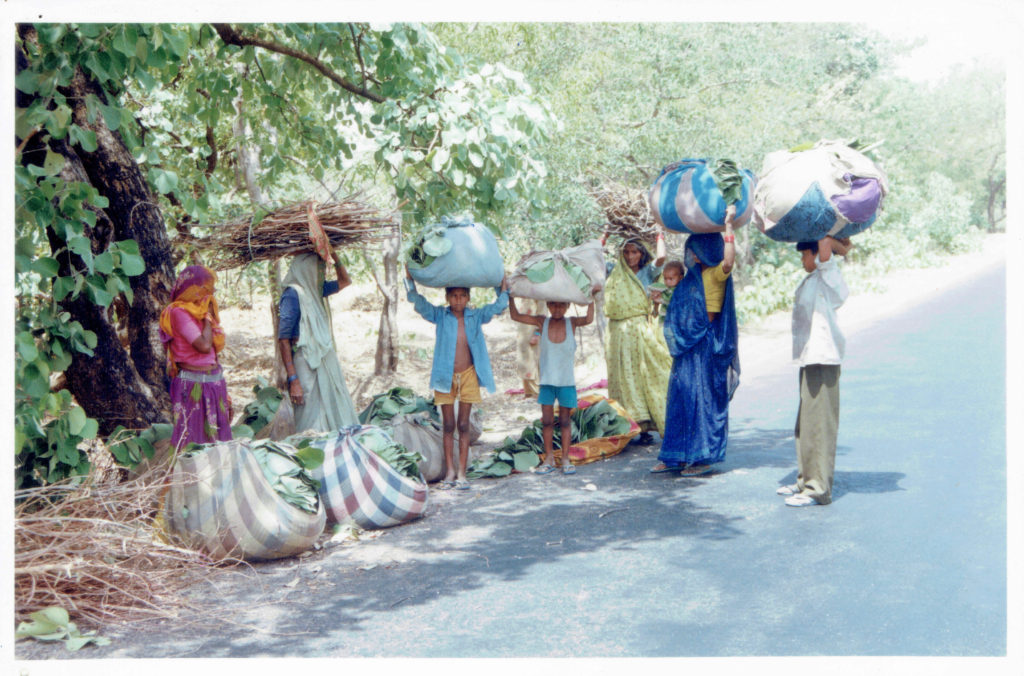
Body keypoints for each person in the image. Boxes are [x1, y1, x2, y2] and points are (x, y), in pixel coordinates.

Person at [654, 205, 740, 476]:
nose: (690, 254)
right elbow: (677, 305)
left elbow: (729, 262)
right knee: (680, 396)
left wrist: (728, 226)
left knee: (701, 399)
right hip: (686, 347)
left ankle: (702, 458)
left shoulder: (715, 274)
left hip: (705, 344)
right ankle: (675, 456)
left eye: (694, 249)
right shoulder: (689, 279)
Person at [405, 268, 509, 490]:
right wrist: (409, 281)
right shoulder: (440, 316)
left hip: (469, 374)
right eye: (454, 296)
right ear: (447, 298)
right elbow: (419, 303)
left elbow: (499, 306)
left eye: (462, 296)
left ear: (468, 298)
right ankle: (450, 472)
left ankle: (462, 472)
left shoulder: (476, 316)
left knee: (463, 424)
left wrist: (501, 285)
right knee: (448, 425)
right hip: (444, 376)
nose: (458, 300)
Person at [778, 236, 852, 506]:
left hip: (824, 358)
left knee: (819, 425)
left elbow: (826, 251)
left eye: (804, 255)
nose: (802, 261)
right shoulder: (811, 280)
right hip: (810, 358)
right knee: (806, 424)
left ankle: (817, 489)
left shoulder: (828, 274)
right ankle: (804, 481)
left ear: (817, 255)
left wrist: (826, 236)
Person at [508, 288, 599, 475]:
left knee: (565, 421)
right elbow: (515, 315)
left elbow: (589, 319)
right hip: (547, 383)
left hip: (566, 383)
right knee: (547, 421)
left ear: (567, 305)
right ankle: (549, 458)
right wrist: (510, 297)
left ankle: (565, 458)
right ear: (548, 305)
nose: (557, 309)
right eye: (553, 304)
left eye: (561, 305)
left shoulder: (571, 323)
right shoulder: (542, 322)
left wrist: (591, 297)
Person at [278, 250, 359, 433]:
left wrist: (334, 256)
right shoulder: (292, 295)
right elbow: (283, 340)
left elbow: (345, 281)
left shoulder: (315, 290)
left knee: (331, 406)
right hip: (305, 362)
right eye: (319, 270)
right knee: (309, 414)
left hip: (324, 358)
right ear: (306, 270)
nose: (322, 275)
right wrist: (293, 380)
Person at [602, 233, 672, 443]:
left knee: (643, 377)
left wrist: (659, 233)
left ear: (642, 254)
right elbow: (593, 259)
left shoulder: (648, 272)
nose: (630, 256)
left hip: (639, 330)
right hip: (617, 333)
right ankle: (627, 426)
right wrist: (604, 236)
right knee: (622, 379)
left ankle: (646, 427)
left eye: (634, 252)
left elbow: (661, 258)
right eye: (626, 252)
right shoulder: (614, 271)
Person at [159, 265, 233, 448]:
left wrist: (224, 393)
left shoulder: (200, 310)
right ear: (193, 289)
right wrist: (207, 318)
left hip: (213, 383)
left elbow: (213, 353)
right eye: (206, 289)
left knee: (218, 442)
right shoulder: (178, 312)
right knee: (191, 442)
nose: (210, 294)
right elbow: (204, 346)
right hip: (192, 386)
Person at [515, 297, 545, 398]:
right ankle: (527, 392)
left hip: (533, 335)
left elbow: (542, 315)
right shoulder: (525, 295)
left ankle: (536, 392)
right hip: (523, 335)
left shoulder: (540, 296)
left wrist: (537, 333)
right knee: (524, 363)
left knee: (533, 362)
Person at [650, 259, 684, 323]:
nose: (667, 282)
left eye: (671, 279)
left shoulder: (681, 290)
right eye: (665, 278)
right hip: (664, 322)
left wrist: (661, 300)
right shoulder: (664, 290)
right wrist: (656, 305)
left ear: (680, 277)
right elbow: (655, 314)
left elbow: (673, 301)